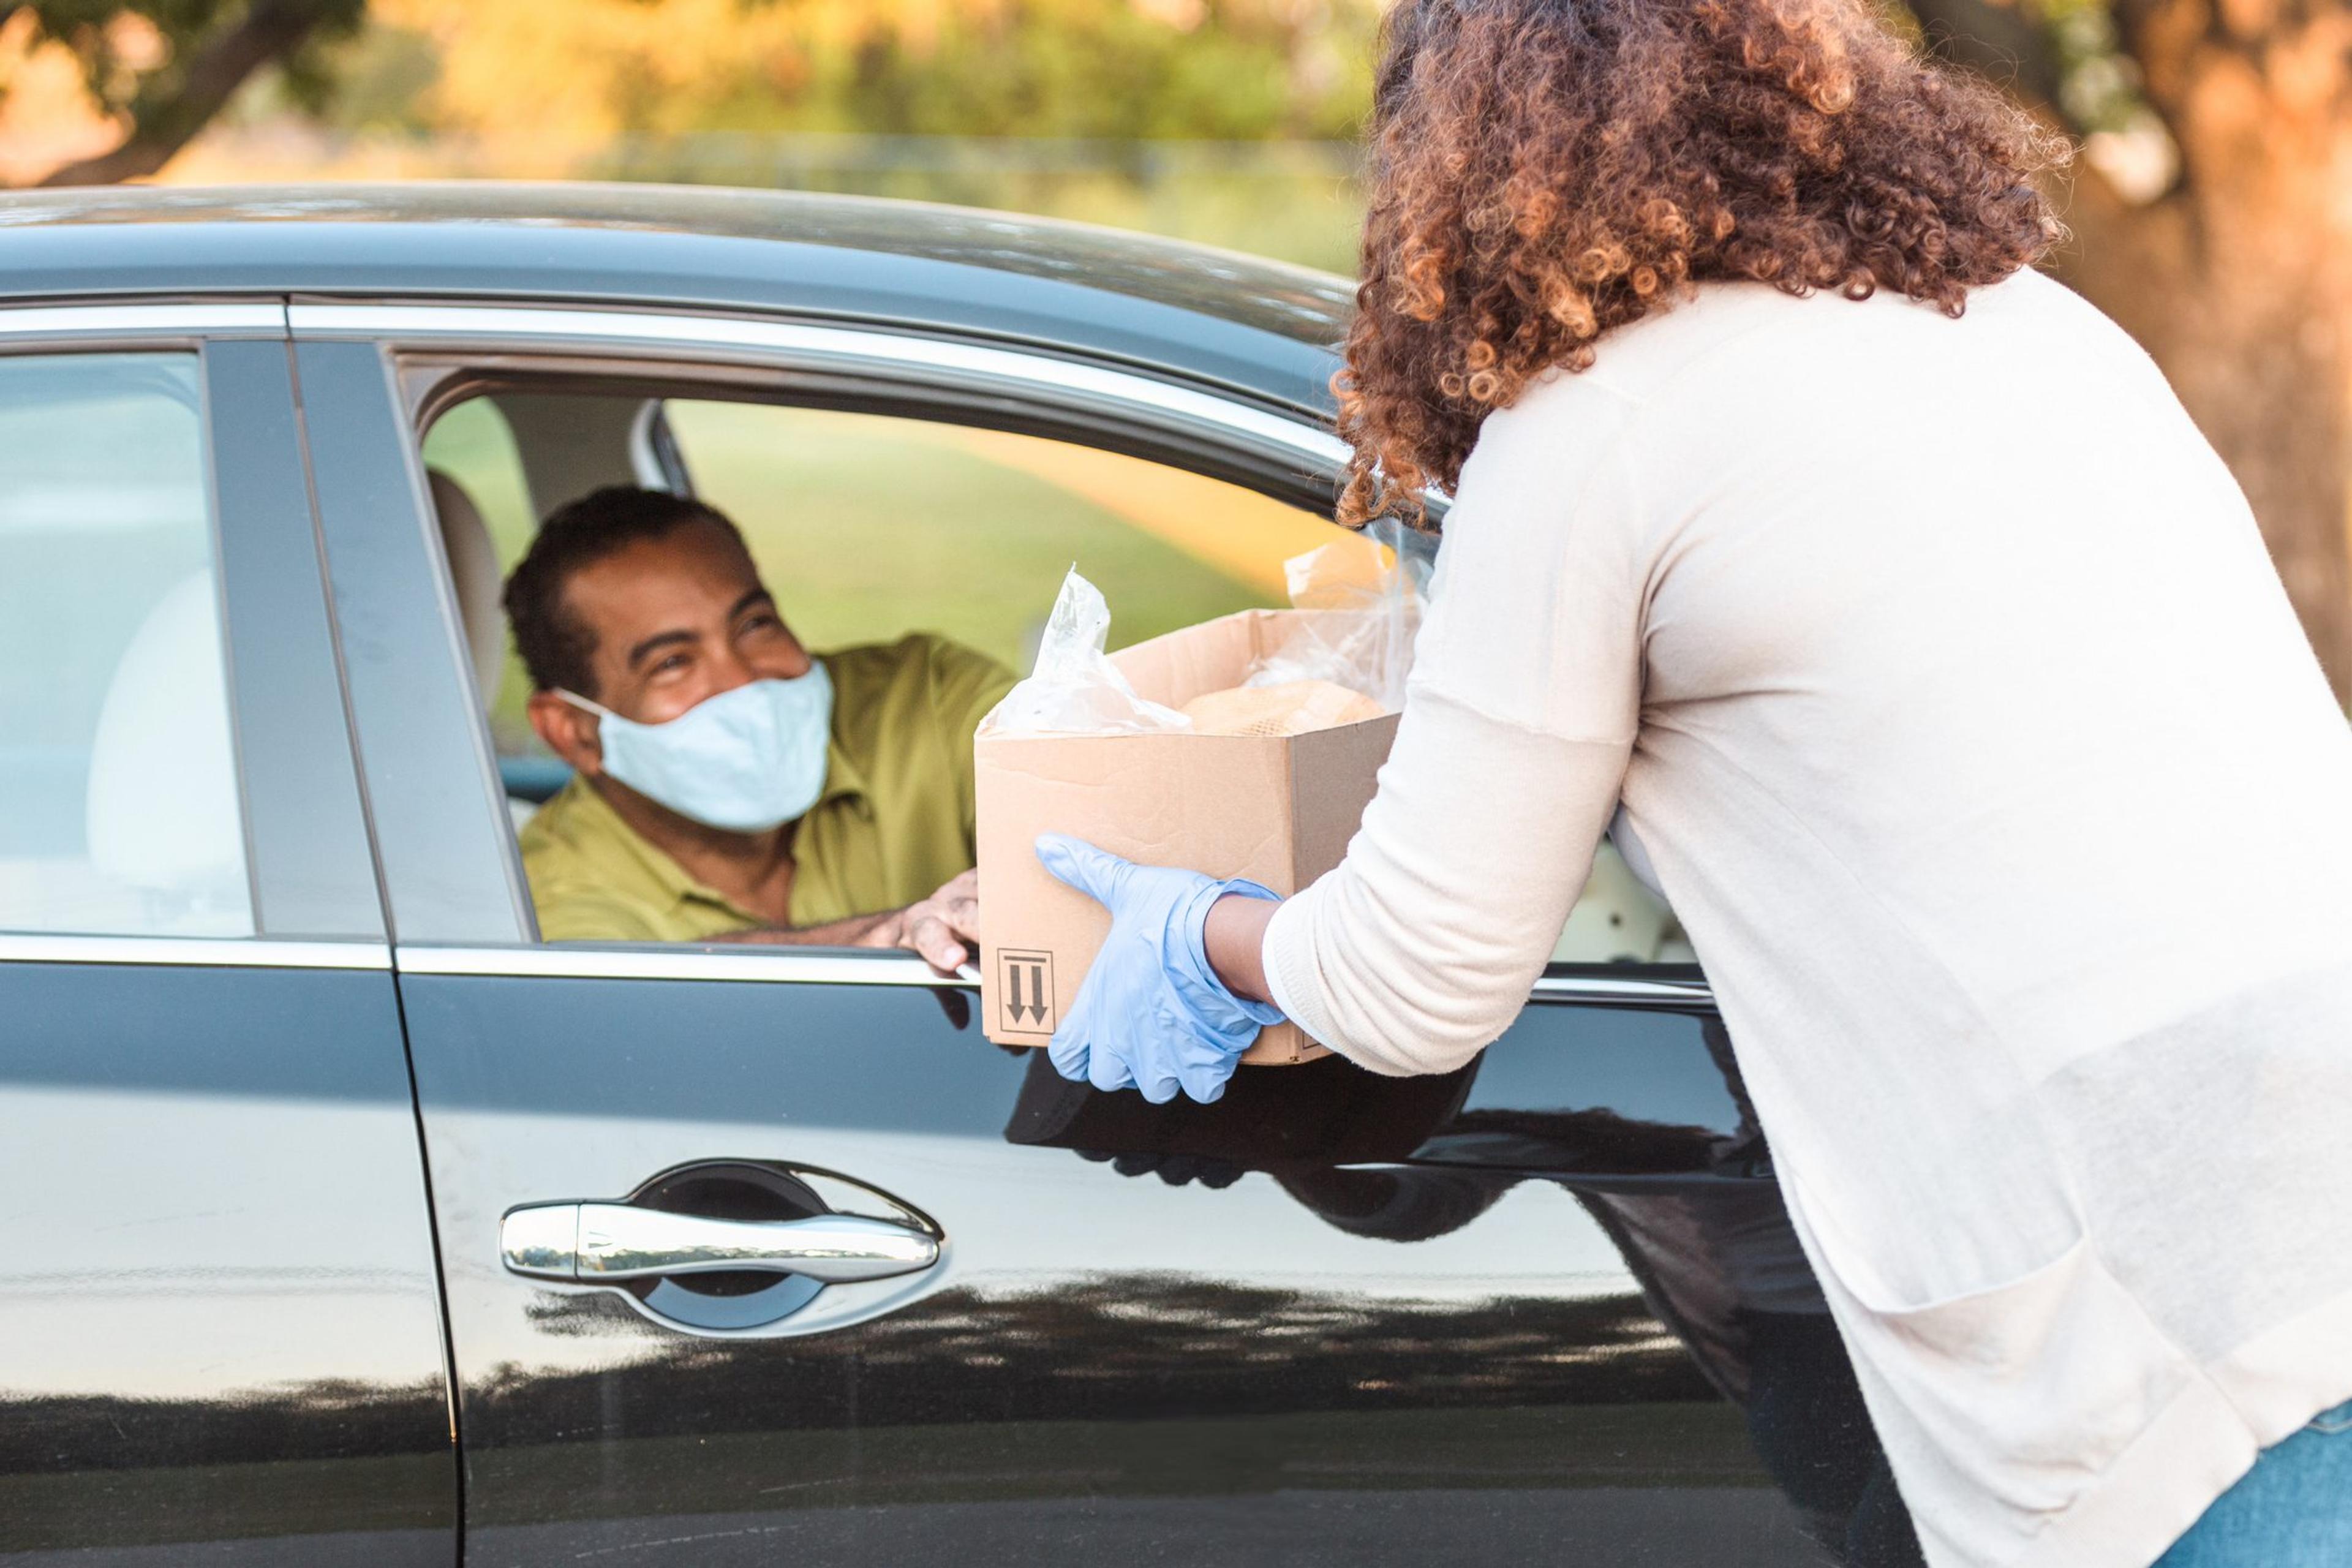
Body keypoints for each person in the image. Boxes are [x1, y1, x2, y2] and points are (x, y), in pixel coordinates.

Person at [1027, 0, 2352, 1564]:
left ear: (1469, 153)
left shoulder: (1602, 422)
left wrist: (1191, 934)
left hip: (2163, 1314)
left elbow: (1410, 981)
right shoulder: (2029, 325)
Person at [505, 485, 1011, 969]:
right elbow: (619, 992)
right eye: (672, 663)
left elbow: (1072, 804)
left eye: (754, 625)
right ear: (571, 732)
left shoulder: (928, 696)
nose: (742, 679)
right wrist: (888, 936)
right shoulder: (538, 899)